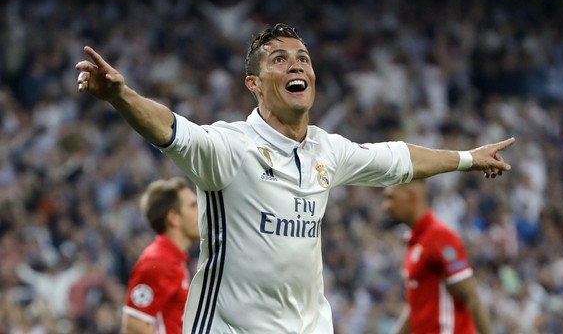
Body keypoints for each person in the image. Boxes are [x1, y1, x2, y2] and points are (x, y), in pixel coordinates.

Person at [75, 23, 514, 333]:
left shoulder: (328, 149)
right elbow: (171, 129)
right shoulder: (230, 147)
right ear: (254, 84)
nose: (296, 66)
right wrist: (121, 96)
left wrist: (467, 158)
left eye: (302, 58)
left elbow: (397, 158)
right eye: (279, 60)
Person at [382, 180, 492, 334]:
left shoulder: (440, 238)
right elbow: (416, 307)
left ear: (412, 196)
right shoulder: (415, 241)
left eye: (391, 198)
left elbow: (471, 297)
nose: (386, 206)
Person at [121, 177, 199, 334]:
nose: (200, 211)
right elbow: (134, 325)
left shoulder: (172, 259)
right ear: (173, 218)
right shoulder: (158, 261)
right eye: (193, 206)